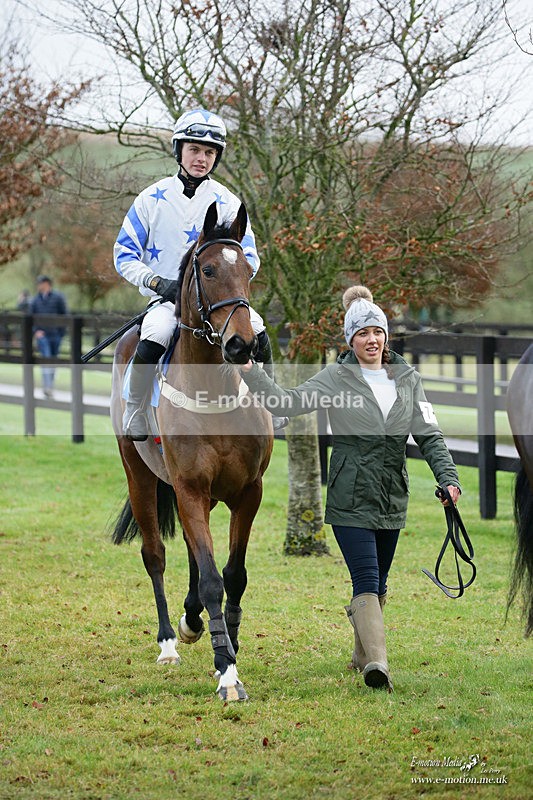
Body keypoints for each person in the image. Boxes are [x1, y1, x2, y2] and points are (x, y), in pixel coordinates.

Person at [239, 286, 461, 691]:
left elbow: (429, 435)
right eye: (363, 334)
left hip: (392, 493)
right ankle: (378, 665)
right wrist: (254, 374)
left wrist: (449, 478)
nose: (372, 340)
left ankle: (361, 654)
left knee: (380, 584)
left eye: (377, 332)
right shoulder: (335, 377)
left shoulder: (408, 379)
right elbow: (286, 403)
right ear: (350, 340)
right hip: (349, 494)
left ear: (386, 336)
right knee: (366, 577)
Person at [114, 107, 283, 441]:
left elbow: (248, 257)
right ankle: (135, 408)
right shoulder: (150, 198)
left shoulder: (229, 201)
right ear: (179, 151)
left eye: (209, 152)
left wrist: (227, 283)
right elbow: (123, 254)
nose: (201, 158)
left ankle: (272, 404)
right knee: (155, 336)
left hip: (220, 302)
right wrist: (157, 282)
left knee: (259, 333)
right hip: (168, 302)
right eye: (194, 150)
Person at [30, 275, 68, 398]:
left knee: (53, 360)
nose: (38, 286)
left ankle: (50, 385)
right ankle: (47, 387)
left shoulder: (58, 298)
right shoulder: (35, 300)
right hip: (43, 335)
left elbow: (65, 315)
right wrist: (36, 331)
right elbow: (30, 318)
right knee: (46, 358)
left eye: (40, 283)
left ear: (46, 284)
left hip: (55, 335)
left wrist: (61, 332)